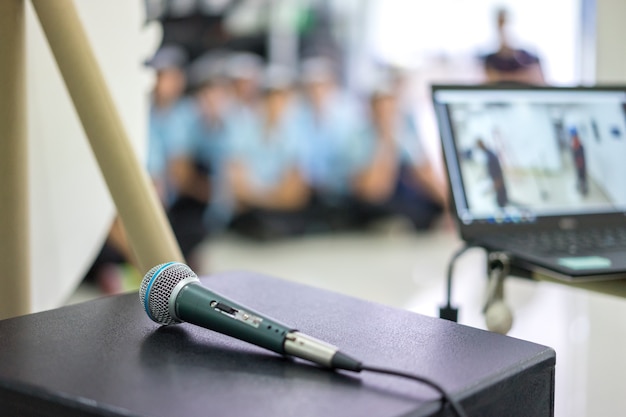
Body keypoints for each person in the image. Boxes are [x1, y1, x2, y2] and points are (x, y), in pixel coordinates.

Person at [224, 65, 311, 239]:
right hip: (253, 213)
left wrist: (260, 197)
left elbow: (296, 193)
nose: (276, 105)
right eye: (271, 98)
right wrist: (275, 197)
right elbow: (238, 189)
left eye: (281, 98)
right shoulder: (242, 133)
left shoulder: (297, 136)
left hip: (274, 211)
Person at [349, 83, 446, 230]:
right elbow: (375, 191)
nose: (387, 114)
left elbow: (425, 173)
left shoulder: (407, 135)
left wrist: (448, 207)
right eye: (381, 109)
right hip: (379, 204)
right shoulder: (359, 139)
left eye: (390, 109)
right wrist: (386, 143)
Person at [293, 57, 364, 230]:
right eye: (312, 86)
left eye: (321, 85)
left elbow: (351, 158)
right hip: (309, 191)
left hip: (342, 188)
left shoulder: (347, 115)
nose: (317, 91)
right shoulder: (295, 117)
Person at [483, 8, 545, 85]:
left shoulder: (530, 57)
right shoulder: (489, 59)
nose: (504, 29)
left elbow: (537, 78)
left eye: (506, 23)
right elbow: (488, 79)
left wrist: (501, 77)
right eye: (500, 24)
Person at [476, 138, 509, 208]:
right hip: (497, 186)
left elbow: (498, 178)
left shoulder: (490, 156)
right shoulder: (488, 155)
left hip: (500, 190)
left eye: (478, 146)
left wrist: (489, 190)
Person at [569, 128, 588, 196]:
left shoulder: (579, 144)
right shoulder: (574, 144)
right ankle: (581, 187)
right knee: (579, 176)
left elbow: (580, 154)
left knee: (582, 176)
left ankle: (584, 190)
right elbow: (574, 154)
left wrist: (579, 162)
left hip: (581, 163)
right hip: (578, 163)